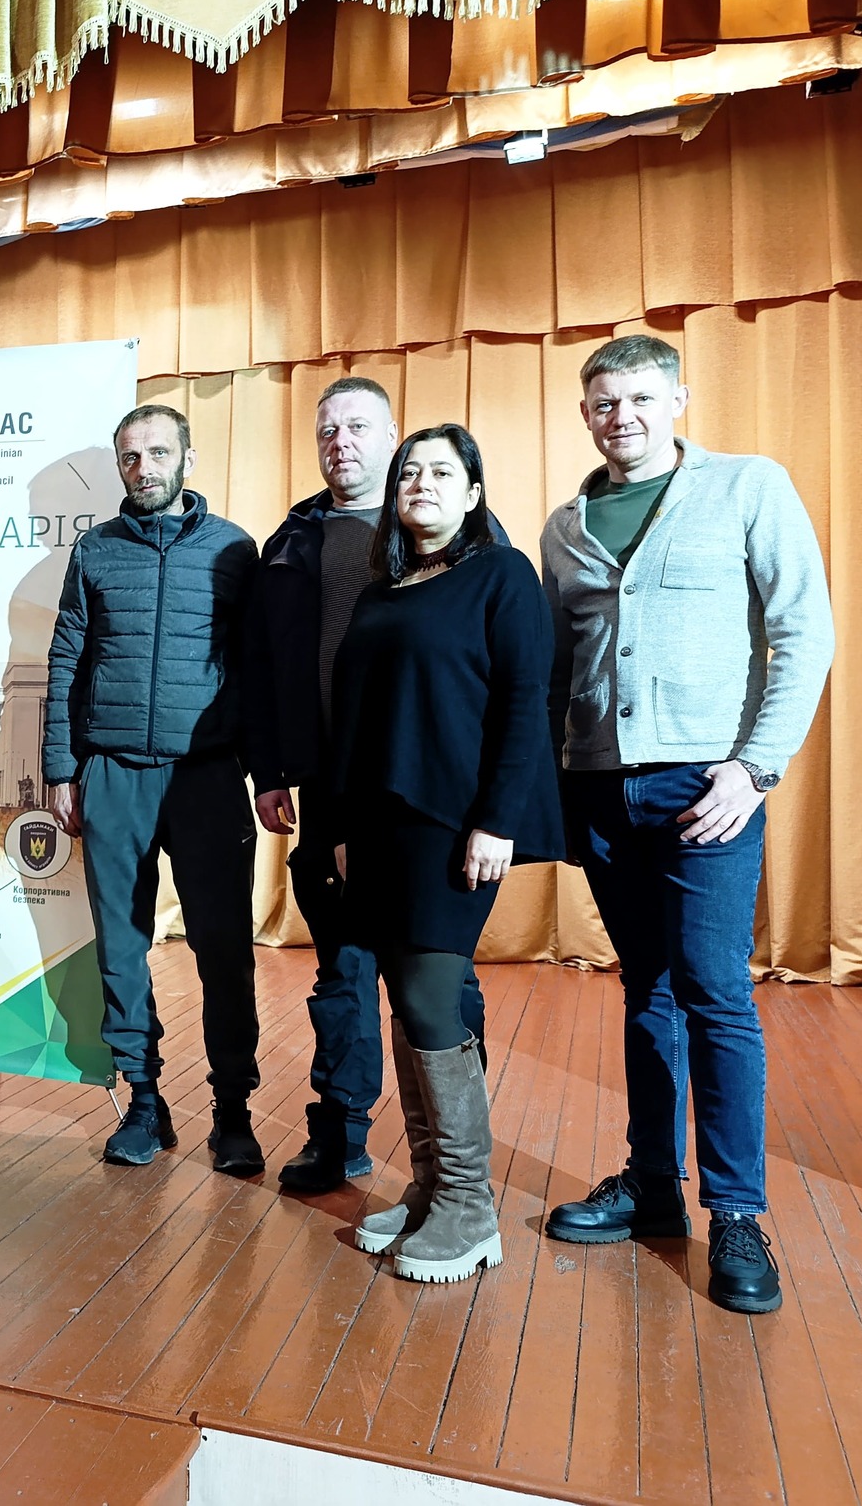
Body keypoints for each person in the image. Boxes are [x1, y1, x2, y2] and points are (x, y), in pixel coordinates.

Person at [540, 335, 834, 1316]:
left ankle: (737, 1215)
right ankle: (653, 1187)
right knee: (646, 989)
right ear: (586, 414)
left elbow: (803, 631)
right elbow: (559, 669)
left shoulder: (746, 486)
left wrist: (755, 767)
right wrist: (552, 787)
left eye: (637, 398)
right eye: (602, 402)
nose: (618, 416)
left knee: (713, 991)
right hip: (597, 788)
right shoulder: (564, 526)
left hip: (707, 787)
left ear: (676, 400)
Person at [246, 378, 497, 1194]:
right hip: (328, 784)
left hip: (427, 787)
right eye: (328, 429)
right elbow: (265, 664)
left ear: (393, 437)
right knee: (343, 968)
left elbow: (501, 673)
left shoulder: (455, 533)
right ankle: (340, 1131)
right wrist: (274, 769)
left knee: (438, 969)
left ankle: (459, 1157)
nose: (341, 442)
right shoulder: (292, 538)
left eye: (358, 427)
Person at [328, 424, 561, 1283]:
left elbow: (525, 702)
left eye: (441, 472)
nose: (421, 483)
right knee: (405, 1000)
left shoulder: (501, 574)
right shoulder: (382, 591)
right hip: (379, 824)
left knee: (431, 996)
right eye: (409, 473)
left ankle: (469, 1205)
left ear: (473, 493)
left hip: (454, 820)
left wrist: (497, 819)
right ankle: (430, 1188)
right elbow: (356, 720)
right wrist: (341, 828)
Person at [44, 404, 262, 1172]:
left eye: (158, 453)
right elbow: (66, 658)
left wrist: (264, 771)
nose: (144, 468)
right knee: (121, 950)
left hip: (207, 776)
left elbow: (257, 666)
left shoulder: (234, 549)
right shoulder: (96, 549)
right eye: (131, 457)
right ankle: (143, 1099)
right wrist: (61, 768)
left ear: (187, 460)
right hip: (112, 775)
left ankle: (233, 1112)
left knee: (224, 951)